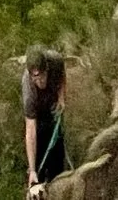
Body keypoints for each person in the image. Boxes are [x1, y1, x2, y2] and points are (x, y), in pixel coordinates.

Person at [23, 47, 71, 194]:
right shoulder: (29, 89)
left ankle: (58, 184)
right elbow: (30, 130)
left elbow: (62, 76)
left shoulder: (55, 60)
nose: (39, 81)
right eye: (35, 78)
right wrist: (32, 170)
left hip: (52, 106)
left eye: (42, 76)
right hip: (38, 113)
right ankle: (38, 187)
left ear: (47, 69)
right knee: (39, 157)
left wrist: (61, 98)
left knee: (57, 150)